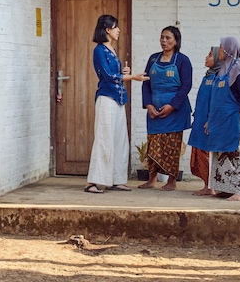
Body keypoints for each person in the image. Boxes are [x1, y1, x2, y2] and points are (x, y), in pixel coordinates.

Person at [85, 14, 148, 194]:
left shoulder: (111, 49)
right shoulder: (99, 50)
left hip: (119, 99)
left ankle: (116, 179)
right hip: (106, 98)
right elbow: (108, 76)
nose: (118, 30)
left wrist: (125, 73)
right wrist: (132, 77)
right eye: (115, 27)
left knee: (120, 140)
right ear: (107, 29)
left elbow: (117, 75)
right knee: (104, 139)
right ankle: (93, 181)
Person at [138, 26, 192, 191]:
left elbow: (186, 86)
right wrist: (148, 105)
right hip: (154, 111)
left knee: (171, 146)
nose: (163, 41)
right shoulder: (153, 59)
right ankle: (152, 179)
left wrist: (172, 106)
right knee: (153, 144)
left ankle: (171, 181)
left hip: (175, 112)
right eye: (162, 37)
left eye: (168, 38)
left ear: (176, 41)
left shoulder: (182, 60)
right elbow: (146, 83)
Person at [205, 37, 240, 201]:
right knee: (220, 154)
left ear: (228, 50)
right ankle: (225, 188)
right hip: (219, 121)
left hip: (232, 120)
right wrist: (210, 120)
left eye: (221, 47)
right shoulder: (222, 70)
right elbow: (216, 99)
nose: (218, 50)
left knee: (235, 154)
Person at [189, 46, 222, 196]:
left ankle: (211, 187)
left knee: (206, 154)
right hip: (200, 120)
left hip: (208, 122)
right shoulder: (207, 76)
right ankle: (206, 185)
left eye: (210, 55)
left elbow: (216, 102)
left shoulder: (218, 78)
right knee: (198, 152)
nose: (206, 57)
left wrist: (211, 120)